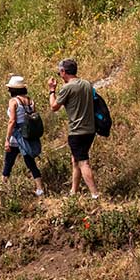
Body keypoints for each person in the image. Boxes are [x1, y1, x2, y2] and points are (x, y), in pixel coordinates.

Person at [48, 58, 102, 198]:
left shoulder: (67, 88)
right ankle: (74, 191)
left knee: (83, 162)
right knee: (75, 160)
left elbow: (54, 107)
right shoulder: (87, 84)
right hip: (90, 129)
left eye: (60, 73)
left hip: (76, 131)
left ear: (63, 71)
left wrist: (52, 91)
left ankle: (94, 194)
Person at [2, 75, 47, 196]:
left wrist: (7, 139)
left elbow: (12, 121)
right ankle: (40, 188)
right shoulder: (30, 101)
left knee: (8, 161)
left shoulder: (13, 101)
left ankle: (3, 187)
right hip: (28, 135)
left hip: (16, 135)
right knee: (30, 162)